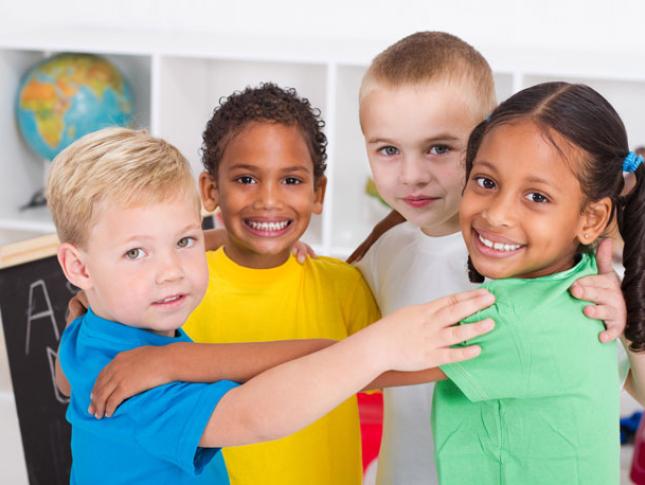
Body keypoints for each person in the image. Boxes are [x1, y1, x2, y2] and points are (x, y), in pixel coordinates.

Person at [49, 127, 496, 484]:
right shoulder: (131, 387)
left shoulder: (90, 326)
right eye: (135, 253)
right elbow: (256, 416)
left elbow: (65, 381)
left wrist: (244, 235)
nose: (172, 271)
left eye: (183, 241)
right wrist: (377, 347)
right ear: (79, 267)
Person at [350, 32, 629, 484]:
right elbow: (334, 324)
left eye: (439, 148)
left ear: (486, 136)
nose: (412, 175)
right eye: (388, 149)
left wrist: (629, 322)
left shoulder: (526, 264)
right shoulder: (390, 247)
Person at [431, 81, 645, 484]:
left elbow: (362, 367)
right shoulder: (581, 283)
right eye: (486, 182)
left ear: (592, 219)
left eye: (537, 197)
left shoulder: (512, 319)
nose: (497, 215)